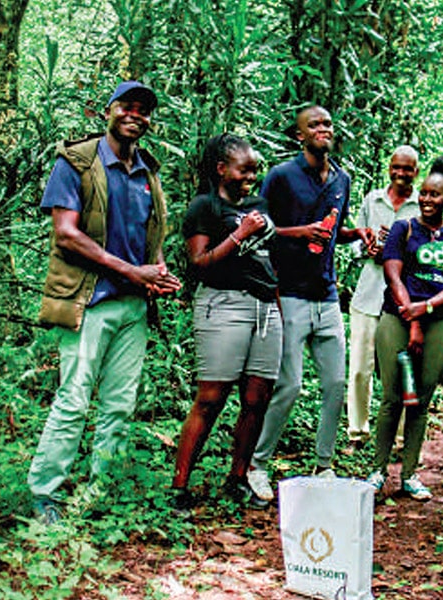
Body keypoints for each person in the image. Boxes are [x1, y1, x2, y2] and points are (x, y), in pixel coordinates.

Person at [28, 81, 182, 524]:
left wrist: (156, 272)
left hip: (133, 307)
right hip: (88, 300)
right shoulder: (76, 160)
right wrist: (131, 271)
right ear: (108, 110)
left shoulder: (147, 171)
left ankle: (100, 491)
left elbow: (150, 237)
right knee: (73, 398)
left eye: (144, 110)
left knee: (118, 403)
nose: (136, 115)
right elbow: (66, 233)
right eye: (127, 107)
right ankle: (45, 493)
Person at [246, 105, 374, 502]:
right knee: (290, 384)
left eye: (327, 124)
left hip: (328, 294)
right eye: (314, 125)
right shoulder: (281, 176)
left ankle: (324, 464)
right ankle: (258, 465)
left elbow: (334, 230)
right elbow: (259, 228)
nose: (323, 129)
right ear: (299, 135)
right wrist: (298, 233)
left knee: (336, 383)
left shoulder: (341, 178)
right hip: (291, 293)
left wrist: (359, 234)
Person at [170, 134, 283, 512]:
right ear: (222, 169)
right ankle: (180, 487)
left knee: (256, 399)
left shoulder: (259, 204)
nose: (252, 175)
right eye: (244, 168)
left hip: (265, 308)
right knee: (211, 398)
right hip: (223, 304)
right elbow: (199, 262)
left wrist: (278, 305)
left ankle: (237, 479)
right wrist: (240, 234)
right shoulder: (205, 206)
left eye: (254, 169)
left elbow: (269, 258)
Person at [366, 158, 443, 501]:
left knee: (421, 400)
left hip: (441, 322)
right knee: (393, 397)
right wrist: (413, 318)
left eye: (435, 195)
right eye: (424, 193)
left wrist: (427, 308)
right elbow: (392, 273)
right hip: (397, 318)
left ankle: (410, 474)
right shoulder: (403, 228)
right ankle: (378, 470)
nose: (427, 199)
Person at [344, 146, 421, 453]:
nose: (401, 174)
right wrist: (369, 248)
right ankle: (357, 433)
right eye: (396, 168)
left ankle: (400, 438)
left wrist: (396, 249)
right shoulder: (372, 200)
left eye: (408, 169)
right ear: (390, 168)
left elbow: (429, 254)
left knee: (401, 367)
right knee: (360, 368)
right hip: (367, 294)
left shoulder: (421, 205)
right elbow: (357, 244)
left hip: (403, 299)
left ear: (416, 171)